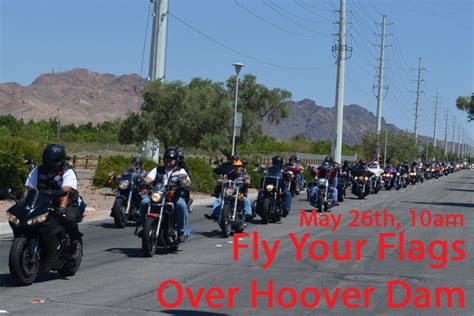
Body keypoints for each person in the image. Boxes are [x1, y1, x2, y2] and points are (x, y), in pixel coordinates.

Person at [24, 144, 84, 258]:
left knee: (69, 218)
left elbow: (65, 191)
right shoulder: (37, 171)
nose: (50, 162)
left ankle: (75, 243)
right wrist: (25, 204)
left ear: (59, 160)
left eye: (52, 160)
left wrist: (61, 209)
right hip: (44, 201)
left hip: (68, 202)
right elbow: (29, 189)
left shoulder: (68, 172)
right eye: (48, 160)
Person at [138, 148, 191, 242]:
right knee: (144, 202)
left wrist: (184, 182)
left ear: (176, 160)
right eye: (166, 158)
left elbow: (184, 179)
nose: (168, 161)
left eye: (171, 159)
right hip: (158, 195)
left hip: (173, 196)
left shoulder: (180, 170)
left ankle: (181, 232)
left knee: (181, 205)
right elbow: (149, 178)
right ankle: (145, 227)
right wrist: (143, 181)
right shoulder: (157, 169)